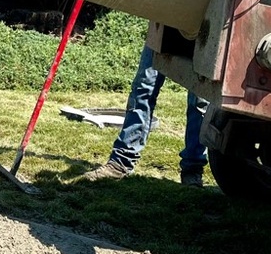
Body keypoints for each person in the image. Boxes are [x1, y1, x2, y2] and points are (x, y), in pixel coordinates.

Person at [85, 44, 209, 186]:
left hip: (207, 32)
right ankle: (121, 162)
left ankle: (193, 169)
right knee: (143, 88)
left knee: (200, 99)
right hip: (165, 27)